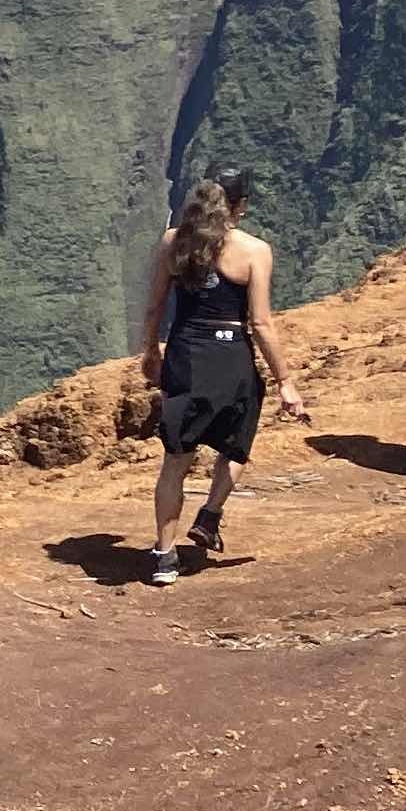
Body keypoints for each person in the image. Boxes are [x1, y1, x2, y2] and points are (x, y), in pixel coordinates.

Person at [136, 168, 305, 585]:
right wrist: (284, 380)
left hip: (185, 353)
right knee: (235, 441)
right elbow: (261, 323)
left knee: (176, 460)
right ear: (240, 206)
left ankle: (164, 557)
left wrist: (151, 351)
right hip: (230, 355)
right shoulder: (254, 251)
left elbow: (155, 306)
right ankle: (210, 514)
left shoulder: (174, 242)